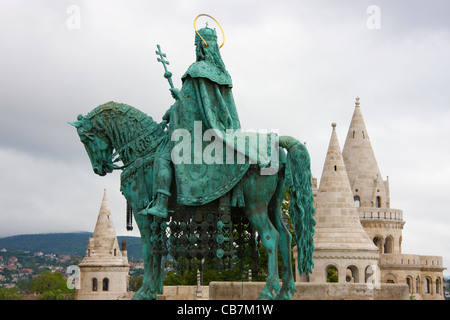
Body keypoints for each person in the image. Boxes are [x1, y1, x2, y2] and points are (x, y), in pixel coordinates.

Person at [140, 26, 246, 218]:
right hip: (222, 131)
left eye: (196, 45)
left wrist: (172, 108)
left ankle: (162, 204)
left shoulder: (196, 70)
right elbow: (221, 108)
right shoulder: (224, 75)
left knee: (164, 156)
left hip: (195, 133)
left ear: (201, 46)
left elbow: (186, 107)